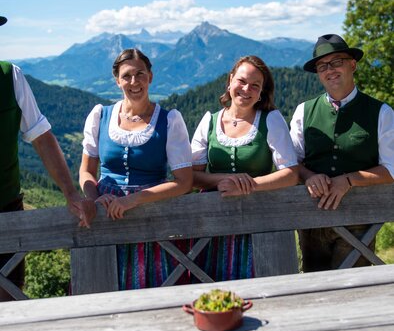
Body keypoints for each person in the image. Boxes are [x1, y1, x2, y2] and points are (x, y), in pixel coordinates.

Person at [79, 48, 193, 290]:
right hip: (105, 214)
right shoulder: (100, 116)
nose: (134, 82)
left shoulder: (170, 120)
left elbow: (184, 182)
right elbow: (86, 172)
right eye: (127, 76)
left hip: (153, 215)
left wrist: (134, 200)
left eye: (140, 74)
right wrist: (96, 198)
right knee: (104, 287)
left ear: (150, 77)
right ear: (117, 81)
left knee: (154, 284)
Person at [0, 15, 92, 301]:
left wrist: (70, 192)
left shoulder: (10, 76)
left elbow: (42, 137)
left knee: (10, 304)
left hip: (6, 212)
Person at [290, 33, 394, 272]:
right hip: (311, 218)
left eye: (337, 62)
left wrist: (349, 180)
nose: (330, 70)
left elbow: (391, 169)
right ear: (318, 74)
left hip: (360, 219)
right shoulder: (303, 112)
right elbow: (291, 164)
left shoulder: (381, 112)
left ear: (352, 64)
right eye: (323, 66)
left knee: (354, 290)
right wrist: (308, 176)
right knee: (313, 288)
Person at [191, 55, 299, 281]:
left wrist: (249, 186)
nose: (246, 89)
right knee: (213, 281)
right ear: (230, 81)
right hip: (213, 219)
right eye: (241, 81)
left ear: (261, 92)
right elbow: (190, 176)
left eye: (255, 85)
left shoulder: (271, 119)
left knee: (260, 280)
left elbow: (290, 174)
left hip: (260, 216)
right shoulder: (209, 121)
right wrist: (221, 181)